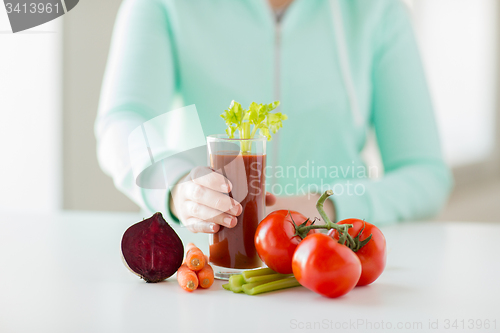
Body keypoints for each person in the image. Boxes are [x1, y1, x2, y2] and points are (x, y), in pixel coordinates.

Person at [95, 0, 453, 234]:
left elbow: (425, 173)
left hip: (331, 259)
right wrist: (178, 188)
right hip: (212, 262)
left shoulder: (378, 10)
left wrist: (325, 207)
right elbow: (123, 121)